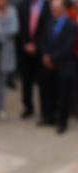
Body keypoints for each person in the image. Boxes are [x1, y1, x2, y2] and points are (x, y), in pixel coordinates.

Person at [38, 0, 77, 133]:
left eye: (56, 9)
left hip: (64, 65)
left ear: (63, 9)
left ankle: (62, 122)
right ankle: (49, 117)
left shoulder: (71, 25)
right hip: (48, 64)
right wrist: (45, 55)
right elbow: (43, 40)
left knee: (63, 95)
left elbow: (68, 47)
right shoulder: (48, 22)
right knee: (49, 92)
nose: (53, 11)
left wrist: (52, 58)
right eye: (52, 9)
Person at [17, 0, 51, 119]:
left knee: (43, 82)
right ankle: (28, 107)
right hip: (25, 50)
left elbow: (48, 29)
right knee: (26, 80)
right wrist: (25, 44)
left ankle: (44, 109)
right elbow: (19, 27)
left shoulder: (48, 6)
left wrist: (36, 45)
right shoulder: (22, 5)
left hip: (41, 50)